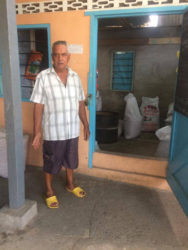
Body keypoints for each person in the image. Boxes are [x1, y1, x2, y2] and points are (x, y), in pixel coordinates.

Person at [30, 40, 90, 208]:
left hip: (71, 130)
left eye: (63, 54)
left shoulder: (75, 77)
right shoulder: (43, 77)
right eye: (56, 55)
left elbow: (80, 103)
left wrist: (85, 124)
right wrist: (37, 132)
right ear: (52, 57)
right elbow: (38, 106)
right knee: (51, 162)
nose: (60, 58)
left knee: (71, 160)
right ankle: (49, 190)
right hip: (53, 132)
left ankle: (70, 184)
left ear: (68, 57)